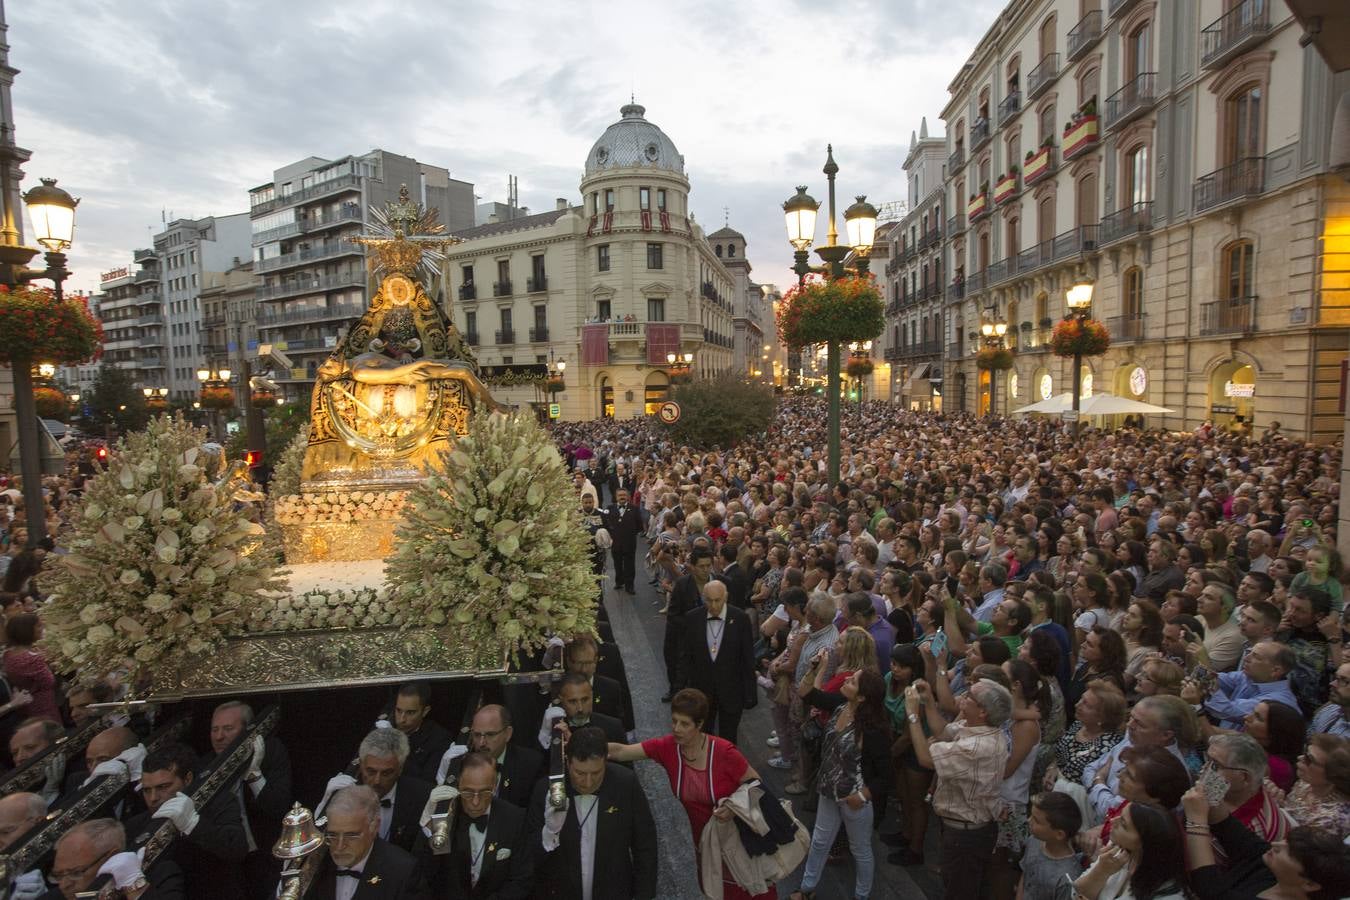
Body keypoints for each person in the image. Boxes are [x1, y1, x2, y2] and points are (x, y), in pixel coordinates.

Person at [606, 688, 772, 900]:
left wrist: (732, 809)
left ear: (700, 724)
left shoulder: (724, 752)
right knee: (714, 891)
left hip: (739, 841)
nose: (676, 729)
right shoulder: (667, 747)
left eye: (684, 724)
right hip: (705, 843)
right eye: (674, 721)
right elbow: (621, 751)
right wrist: (581, 743)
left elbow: (756, 784)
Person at [903, 679, 1013, 900]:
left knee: (960, 891)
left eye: (970, 696)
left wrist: (913, 715)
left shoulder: (977, 746)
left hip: (966, 835)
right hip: (961, 829)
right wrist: (928, 701)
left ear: (982, 711)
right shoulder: (977, 728)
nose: (963, 696)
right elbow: (944, 731)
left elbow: (925, 758)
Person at [792, 670, 890, 900]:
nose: (846, 680)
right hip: (828, 791)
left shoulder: (873, 730)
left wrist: (863, 796)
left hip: (854, 799)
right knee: (819, 842)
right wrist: (816, 667)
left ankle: (861, 896)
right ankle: (807, 889)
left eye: (853, 681)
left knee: (860, 850)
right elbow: (806, 692)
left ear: (863, 697)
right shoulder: (840, 705)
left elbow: (886, 776)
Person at [530, 725, 657, 900]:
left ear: (606, 762)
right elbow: (528, 856)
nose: (588, 782)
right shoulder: (546, 790)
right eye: (580, 773)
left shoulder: (626, 784)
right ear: (567, 762)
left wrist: (644, 896)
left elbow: (645, 845)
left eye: (596, 773)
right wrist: (549, 832)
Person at [1182, 783, 1350, 900]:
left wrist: (1195, 818)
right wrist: (1209, 791)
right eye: (1286, 841)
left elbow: (1209, 886)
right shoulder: (1273, 866)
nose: (1276, 844)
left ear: (1310, 884)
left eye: (1289, 852)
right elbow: (1228, 828)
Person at [125, 743, 249, 900]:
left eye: (163, 786)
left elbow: (236, 848)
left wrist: (193, 824)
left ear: (188, 779)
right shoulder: (136, 826)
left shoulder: (218, 803)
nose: (153, 798)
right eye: (147, 790)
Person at [428, 752, 534, 899]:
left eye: (484, 792)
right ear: (458, 783)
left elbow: (521, 879)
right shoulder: (445, 818)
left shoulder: (515, 818)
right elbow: (428, 874)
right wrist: (428, 824)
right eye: (468, 792)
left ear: (495, 785)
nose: (476, 802)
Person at [318, 729, 433, 855]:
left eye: (386, 773)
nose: (377, 781)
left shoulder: (422, 795)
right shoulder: (345, 793)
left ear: (400, 769)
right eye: (371, 771)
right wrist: (325, 804)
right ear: (361, 765)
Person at [306, 785, 427, 900]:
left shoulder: (402, 872)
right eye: (333, 835)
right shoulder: (316, 865)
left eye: (351, 835)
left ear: (374, 827)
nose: (339, 846)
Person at [678, 580, 756, 742]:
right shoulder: (692, 618)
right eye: (709, 600)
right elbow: (686, 656)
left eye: (717, 600)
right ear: (703, 598)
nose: (713, 605)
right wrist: (680, 688)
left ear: (726, 597)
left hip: (732, 691)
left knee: (729, 739)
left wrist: (750, 692)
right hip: (702, 690)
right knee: (702, 736)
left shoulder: (740, 618)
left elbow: (747, 657)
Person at [43, 818, 184, 900]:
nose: (64, 885)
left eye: (76, 873)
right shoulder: (55, 898)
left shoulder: (160, 876)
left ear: (111, 857)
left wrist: (136, 887)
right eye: (58, 875)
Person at [1071, 801, 1187, 899]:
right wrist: (1101, 870)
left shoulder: (1168, 895)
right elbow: (1076, 892)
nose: (1112, 821)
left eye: (1123, 824)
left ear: (1145, 844)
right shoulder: (1118, 850)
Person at [438, 705, 543, 812]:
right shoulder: (462, 762)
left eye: (490, 734)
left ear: (508, 733)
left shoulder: (530, 763)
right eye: (477, 735)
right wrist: (445, 776)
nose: (481, 743)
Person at [1280, 734, 1350, 839]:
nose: (1300, 758)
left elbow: (1301, 849)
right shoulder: (1305, 783)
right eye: (1304, 752)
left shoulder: (1334, 819)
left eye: (1309, 759)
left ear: (1332, 775)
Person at [1019, 791, 1083, 900]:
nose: (1028, 820)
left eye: (1036, 820)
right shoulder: (1034, 841)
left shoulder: (1068, 878)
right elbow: (1025, 878)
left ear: (1059, 834)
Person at [387, 682, 454, 785]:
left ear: (425, 711)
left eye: (410, 713)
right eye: (398, 710)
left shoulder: (439, 739)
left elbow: (427, 782)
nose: (401, 719)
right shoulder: (386, 726)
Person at [2, 613, 57, 724]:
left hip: (26, 707)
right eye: (38, 626)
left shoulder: (8, 654)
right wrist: (49, 662)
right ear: (26, 630)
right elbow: (49, 682)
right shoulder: (33, 658)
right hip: (44, 706)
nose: (42, 629)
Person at [603, 488, 641, 594]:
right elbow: (606, 524)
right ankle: (619, 582)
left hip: (630, 542)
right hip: (615, 542)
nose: (622, 497)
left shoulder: (635, 509)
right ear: (616, 497)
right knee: (617, 563)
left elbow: (639, 526)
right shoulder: (609, 509)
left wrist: (630, 534)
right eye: (620, 495)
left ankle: (630, 586)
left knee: (630, 565)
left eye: (624, 495)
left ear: (628, 496)